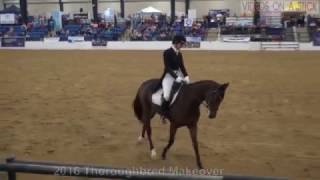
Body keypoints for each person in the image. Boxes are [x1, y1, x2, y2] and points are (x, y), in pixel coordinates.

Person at [160, 35, 190, 116]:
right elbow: (167, 68)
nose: (182, 46)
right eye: (181, 44)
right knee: (166, 95)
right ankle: (164, 113)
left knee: (189, 89)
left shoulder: (179, 54)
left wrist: (186, 76)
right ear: (176, 43)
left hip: (179, 75)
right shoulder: (167, 52)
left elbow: (182, 66)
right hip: (169, 76)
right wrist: (176, 78)